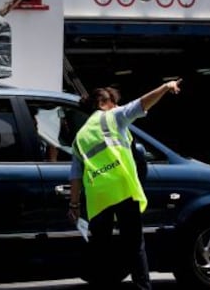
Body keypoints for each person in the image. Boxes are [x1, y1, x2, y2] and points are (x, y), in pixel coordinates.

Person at [68, 79, 182, 290]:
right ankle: (142, 286)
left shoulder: (79, 137)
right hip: (121, 188)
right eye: (114, 102)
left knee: (100, 248)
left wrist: (74, 205)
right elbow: (141, 104)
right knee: (134, 243)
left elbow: (75, 174)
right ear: (104, 103)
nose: (118, 106)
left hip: (98, 196)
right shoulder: (112, 117)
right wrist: (166, 87)